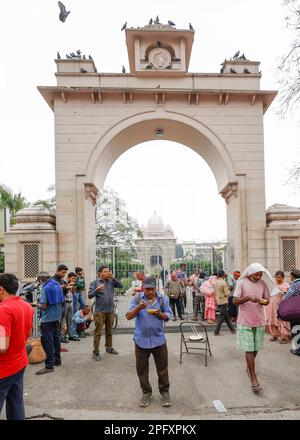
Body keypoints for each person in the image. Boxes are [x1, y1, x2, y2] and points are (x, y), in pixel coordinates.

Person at [126, 276, 173, 408]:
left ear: (155, 288)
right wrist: (138, 308)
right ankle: (146, 392)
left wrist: (159, 314)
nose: (150, 292)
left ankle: (165, 392)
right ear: (143, 288)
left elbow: (168, 316)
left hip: (159, 339)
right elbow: (128, 316)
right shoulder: (137, 299)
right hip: (141, 340)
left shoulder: (162, 299)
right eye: (147, 289)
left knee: (162, 368)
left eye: (152, 289)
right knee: (141, 369)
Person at [233, 263, 273, 393]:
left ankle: (249, 367)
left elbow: (267, 299)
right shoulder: (242, 283)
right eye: (257, 274)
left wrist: (265, 301)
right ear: (250, 273)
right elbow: (234, 301)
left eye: (261, 274)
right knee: (249, 349)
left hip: (259, 320)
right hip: (245, 321)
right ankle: (254, 378)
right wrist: (247, 298)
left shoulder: (263, 284)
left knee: (256, 348)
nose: (259, 276)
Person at [0, 273, 34, 420]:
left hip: (4, 368)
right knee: (16, 403)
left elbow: (2, 347)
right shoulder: (26, 306)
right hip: (19, 362)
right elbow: (30, 331)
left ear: (1, 289)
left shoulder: (3, 310)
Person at [88, 265, 123, 361]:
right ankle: (96, 352)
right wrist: (96, 290)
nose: (108, 273)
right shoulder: (94, 283)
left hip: (110, 310)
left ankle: (109, 347)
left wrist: (113, 278)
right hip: (100, 312)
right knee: (98, 332)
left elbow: (121, 286)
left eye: (108, 271)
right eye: (105, 271)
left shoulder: (111, 282)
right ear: (100, 273)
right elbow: (89, 295)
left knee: (109, 331)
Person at [36, 273, 65, 375]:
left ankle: (49, 365)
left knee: (46, 341)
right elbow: (62, 301)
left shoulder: (45, 288)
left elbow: (43, 306)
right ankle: (57, 360)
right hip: (56, 317)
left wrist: (35, 304)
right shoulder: (57, 285)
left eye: (39, 279)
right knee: (56, 338)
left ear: (41, 279)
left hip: (47, 319)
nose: (38, 281)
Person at [267, 270, 290, 344]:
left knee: (281, 321)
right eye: (276, 277)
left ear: (283, 278)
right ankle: (275, 335)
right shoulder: (273, 284)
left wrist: (282, 292)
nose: (278, 279)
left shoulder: (286, 285)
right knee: (273, 320)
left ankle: (284, 337)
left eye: (279, 277)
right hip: (273, 305)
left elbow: (287, 295)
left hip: (281, 305)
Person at [283, 269, 300, 356]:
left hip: (296, 311)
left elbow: (287, 297)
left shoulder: (294, 285)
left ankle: (297, 349)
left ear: (293, 276)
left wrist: (284, 294)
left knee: (296, 329)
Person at [214, 270, 236, 336]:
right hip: (223, 301)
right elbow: (227, 293)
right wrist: (230, 289)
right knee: (221, 317)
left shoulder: (216, 282)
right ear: (223, 275)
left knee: (226, 317)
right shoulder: (223, 282)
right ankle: (216, 332)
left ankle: (233, 330)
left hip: (218, 300)